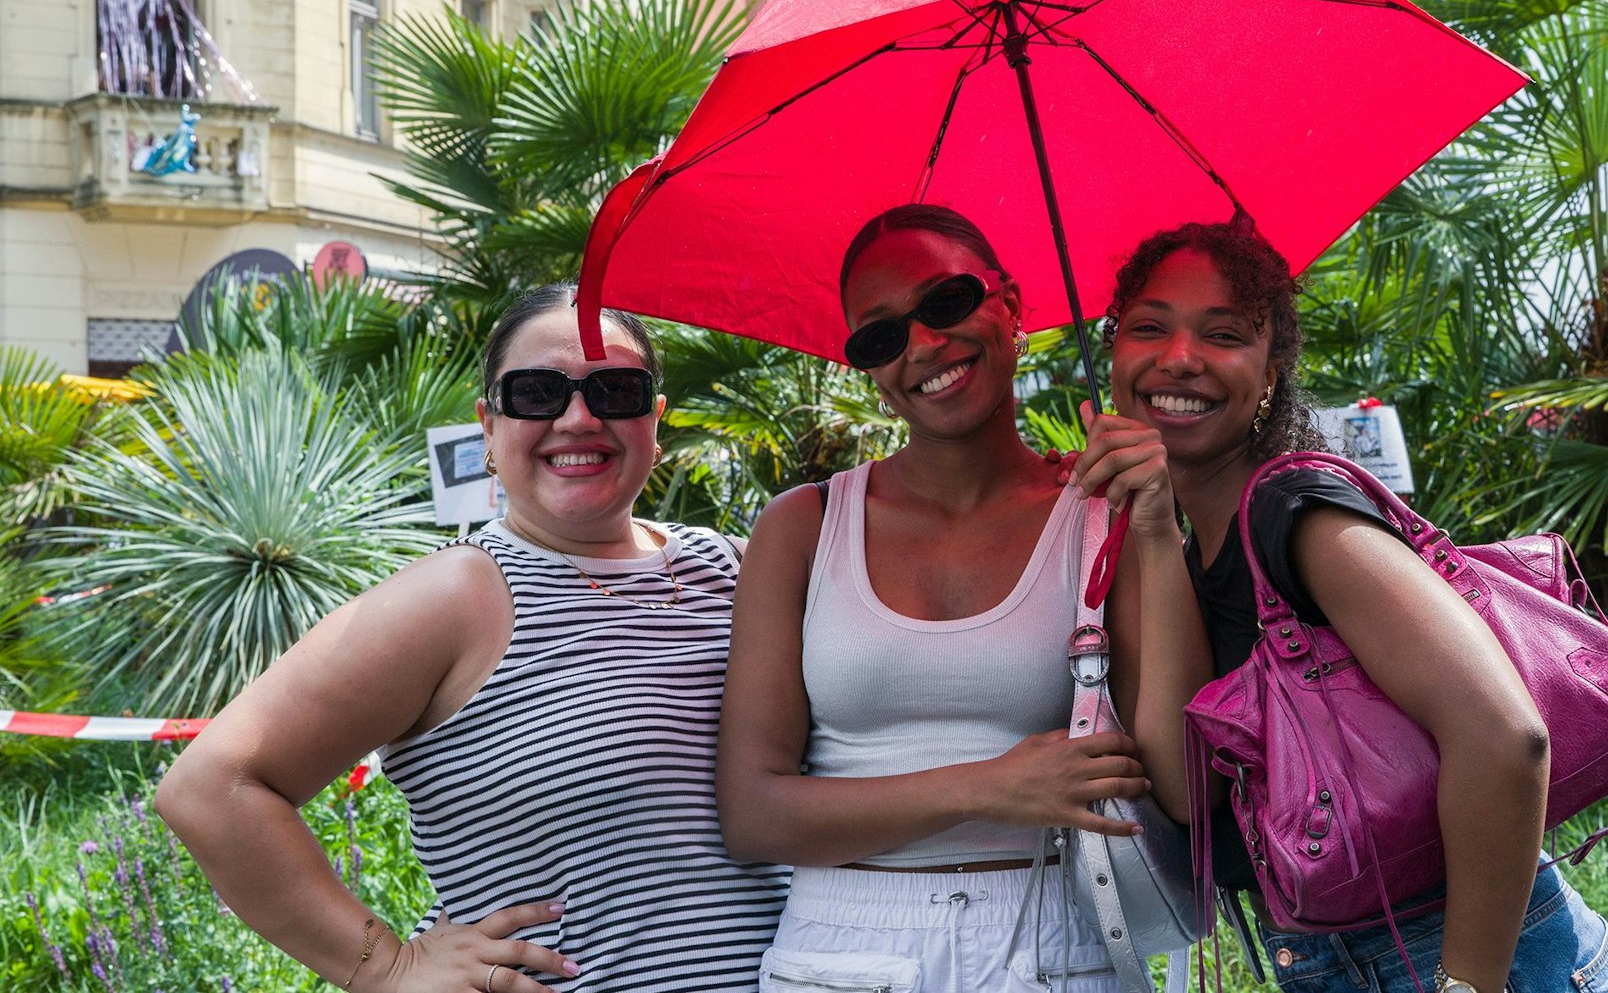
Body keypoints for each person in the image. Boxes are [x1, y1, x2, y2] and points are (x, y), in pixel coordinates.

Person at [156, 283, 788, 993]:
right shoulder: (459, 593)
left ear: (653, 417)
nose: (580, 417)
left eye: (616, 389)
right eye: (536, 393)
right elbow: (212, 788)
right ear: (489, 427)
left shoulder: (739, 566)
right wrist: (388, 967)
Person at [1094, 223, 1608, 993]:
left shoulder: (1300, 518)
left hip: (1478, 963)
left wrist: (1470, 984)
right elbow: (1188, 794)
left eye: (1223, 333)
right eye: (1148, 326)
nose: (1179, 356)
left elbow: (1507, 737)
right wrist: (1150, 528)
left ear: (1270, 370)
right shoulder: (1194, 556)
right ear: (1114, 347)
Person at [716, 204, 1209, 993]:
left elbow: (1183, 787)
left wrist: (1152, 524)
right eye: (882, 336)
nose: (925, 345)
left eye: (946, 302)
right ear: (868, 369)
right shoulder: (803, 526)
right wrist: (986, 785)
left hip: (1055, 936)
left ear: (1009, 303)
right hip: (841, 946)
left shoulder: (1100, 515)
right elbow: (752, 814)